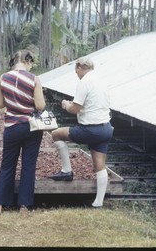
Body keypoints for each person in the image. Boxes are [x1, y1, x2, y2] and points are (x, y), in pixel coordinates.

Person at [48, 57, 114, 208]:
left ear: (79, 67)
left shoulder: (84, 82)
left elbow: (75, 109)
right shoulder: (101, 81)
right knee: (100, 166)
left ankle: (66, 170)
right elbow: (93, 105)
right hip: (105, 128)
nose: (76, 74)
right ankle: (98, 202)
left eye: (75, 70)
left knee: (56, 134)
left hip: (90, 129)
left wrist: (66, 105)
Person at [0, 50, 46, 215]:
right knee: (28, 165)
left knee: (7, 165)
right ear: (28, 61)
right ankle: (24, 205)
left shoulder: (3, 78)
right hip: (31, 127)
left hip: (11, 126)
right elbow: (40, 106)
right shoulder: (34, 79)